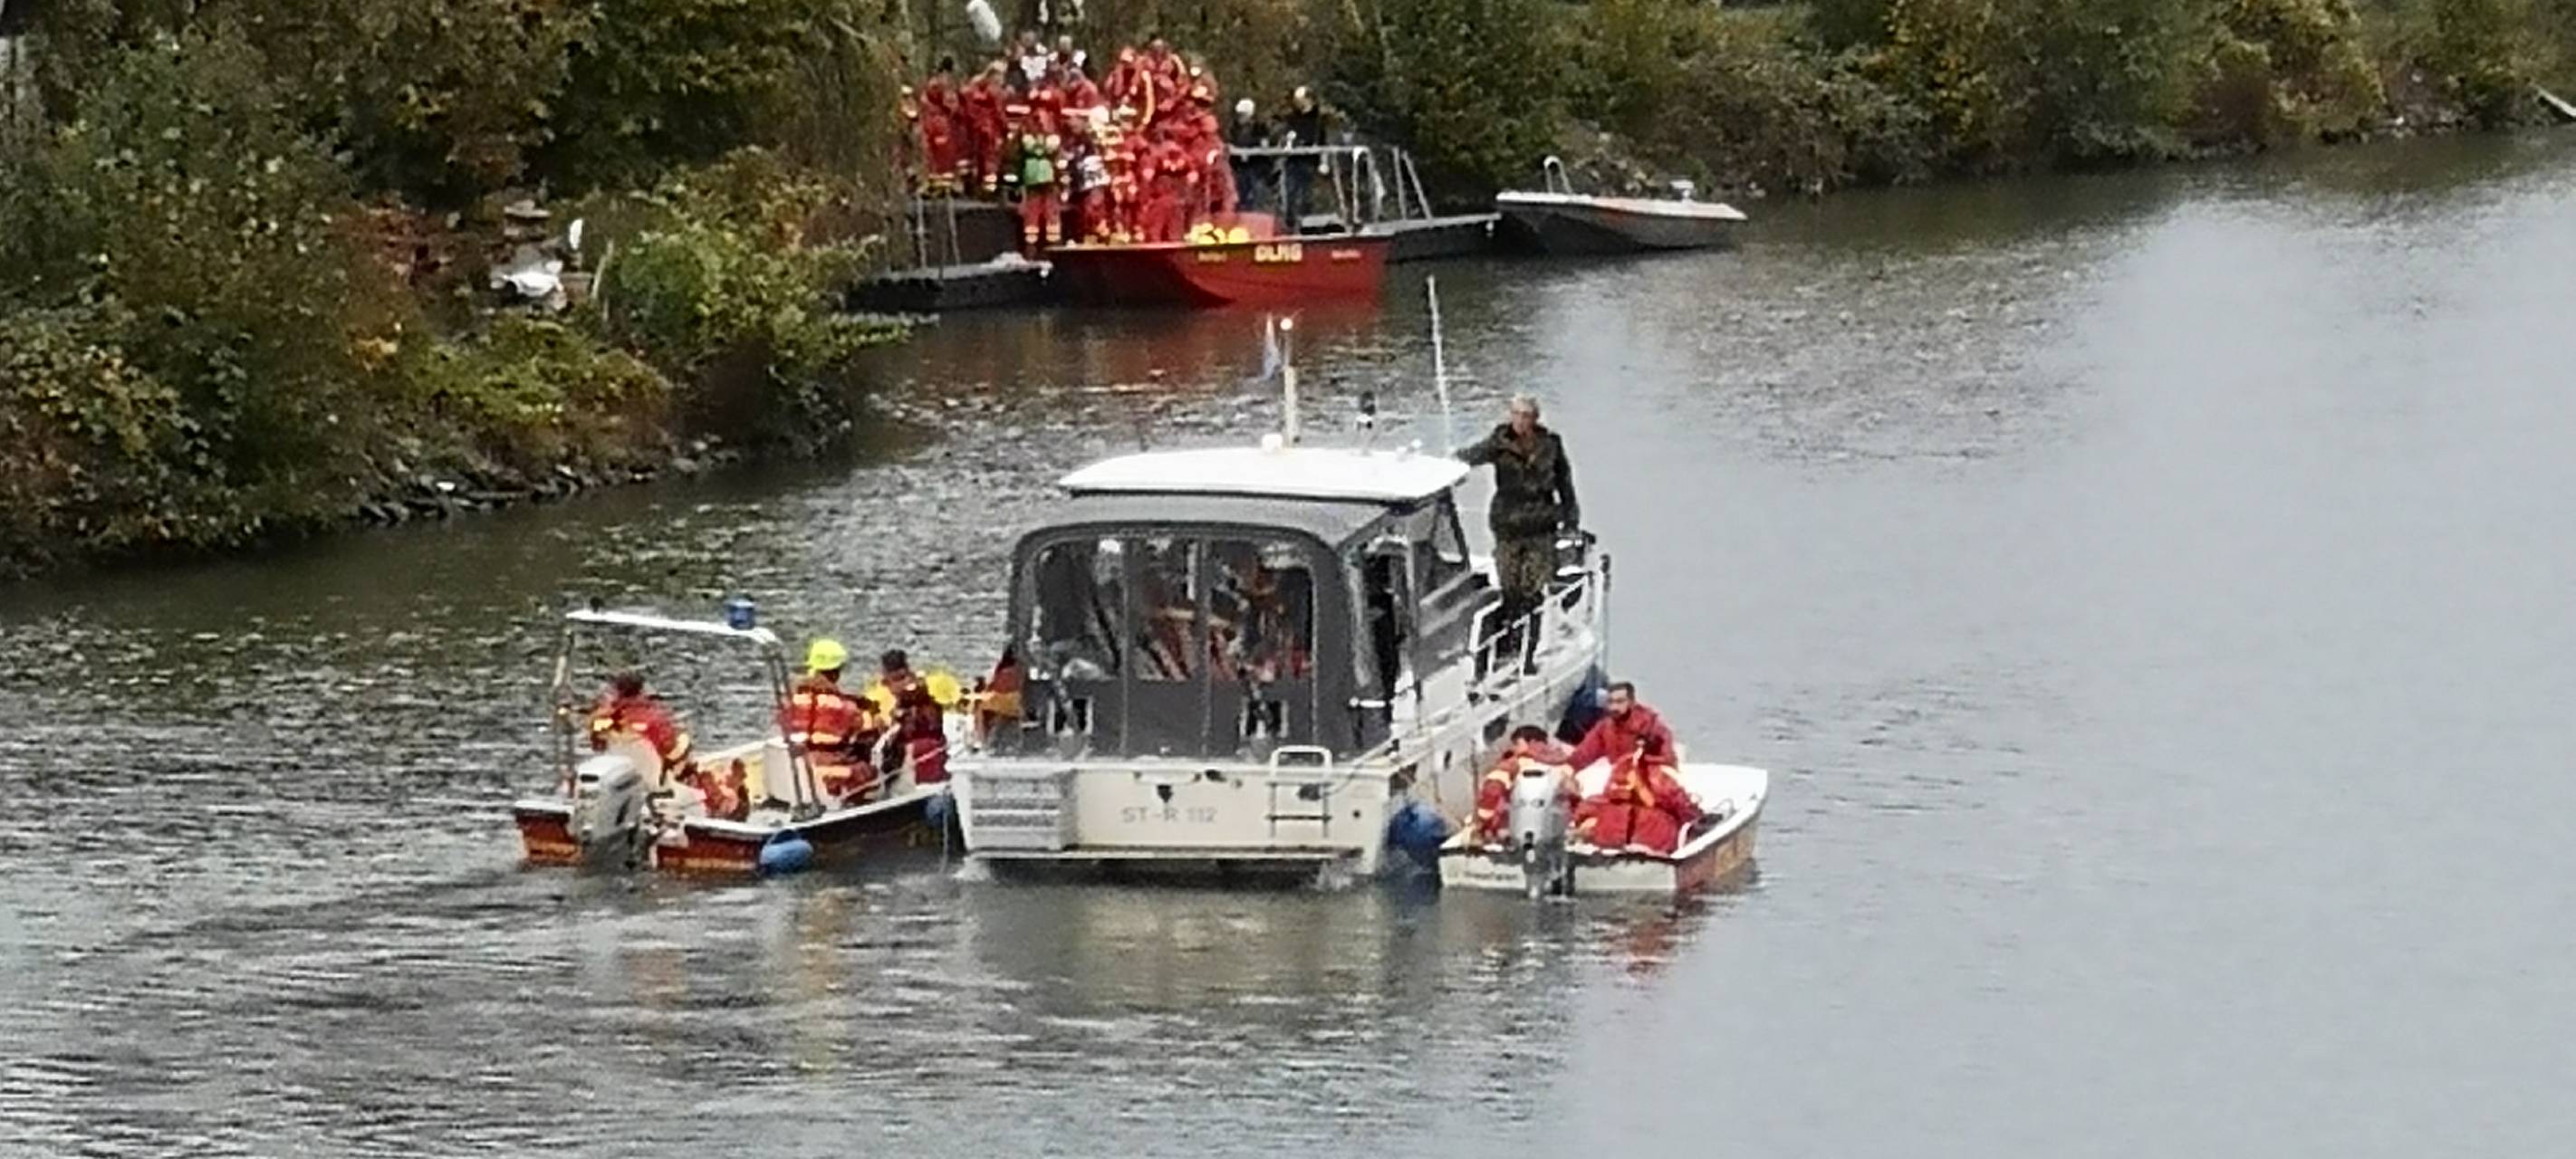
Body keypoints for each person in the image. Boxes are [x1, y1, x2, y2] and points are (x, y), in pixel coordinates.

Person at [1456, 394, 1579, 667]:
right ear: (1510, 416)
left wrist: (1571, 523)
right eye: (1517, 414)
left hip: (1541, 525)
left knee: (1533, 590)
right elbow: (1471, 456)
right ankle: (1507, 643)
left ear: (1535, 418)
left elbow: (1565, 484)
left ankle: (1528, 652)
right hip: (1507, 525)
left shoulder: (1551, 445)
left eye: (1527, 415)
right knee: (1510, 587)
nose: (1521, 420)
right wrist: (1451, 462)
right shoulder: (1499, 443)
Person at [782, 638, 882, 804]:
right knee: (870, 769)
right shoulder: (845, 708)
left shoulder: (792, 701)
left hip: (798, 770)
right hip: (829, 775)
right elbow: (860, 729)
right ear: (836, 672)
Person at [1571, 731, 1701, 854]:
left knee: (1597, 813)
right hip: (1636, 831)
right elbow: (1682, 807)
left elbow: (1676, 803)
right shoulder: (1630, 767)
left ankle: (1583, 835)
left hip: (1639, 832)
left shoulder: (1650, 771)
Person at [1473, 724, 1575, 845]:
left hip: (1514, 830)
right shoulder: (1566, 766)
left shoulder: (1515, 765)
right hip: (1558, 829)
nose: (1514, 749)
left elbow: (1492, 791)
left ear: (1532, 742)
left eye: (1517, 744)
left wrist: (1483, 824)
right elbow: (1574, 794)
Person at [587, 671, 693, 782]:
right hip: (652, 779)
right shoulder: (654, 716)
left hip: (615, 775)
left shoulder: (604, 717)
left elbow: (597, 744)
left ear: (617, 691)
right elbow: (669, 746)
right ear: (641, 690)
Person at [867, 649, 953, 785]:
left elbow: (907, 733)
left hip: (916, 767)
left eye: (887, 682)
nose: (887, 687)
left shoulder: (911, 703)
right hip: (935, 764)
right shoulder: (924, 696)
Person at [1278, 86, 1326, 224]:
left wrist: (1323, 161)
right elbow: (1286, 136)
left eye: (1300, 100)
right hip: (1293, 160)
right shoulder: (1292, 119)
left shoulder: (1318, 119)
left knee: (1307, 194)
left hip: (1309, 161)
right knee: (1290, 193)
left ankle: (1307, 222)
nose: (1297, 103)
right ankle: (1290, 222)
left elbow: (1323, 140)